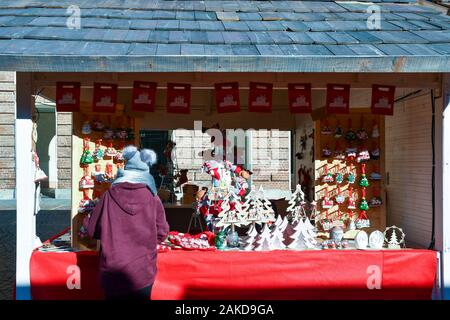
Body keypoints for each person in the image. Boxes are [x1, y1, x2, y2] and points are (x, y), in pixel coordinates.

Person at [85, 145, 169, 300]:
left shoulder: (108, 196)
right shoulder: (153, 198)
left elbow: (91, 231)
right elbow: (162, 233)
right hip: (143, 272)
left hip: (112, 271)